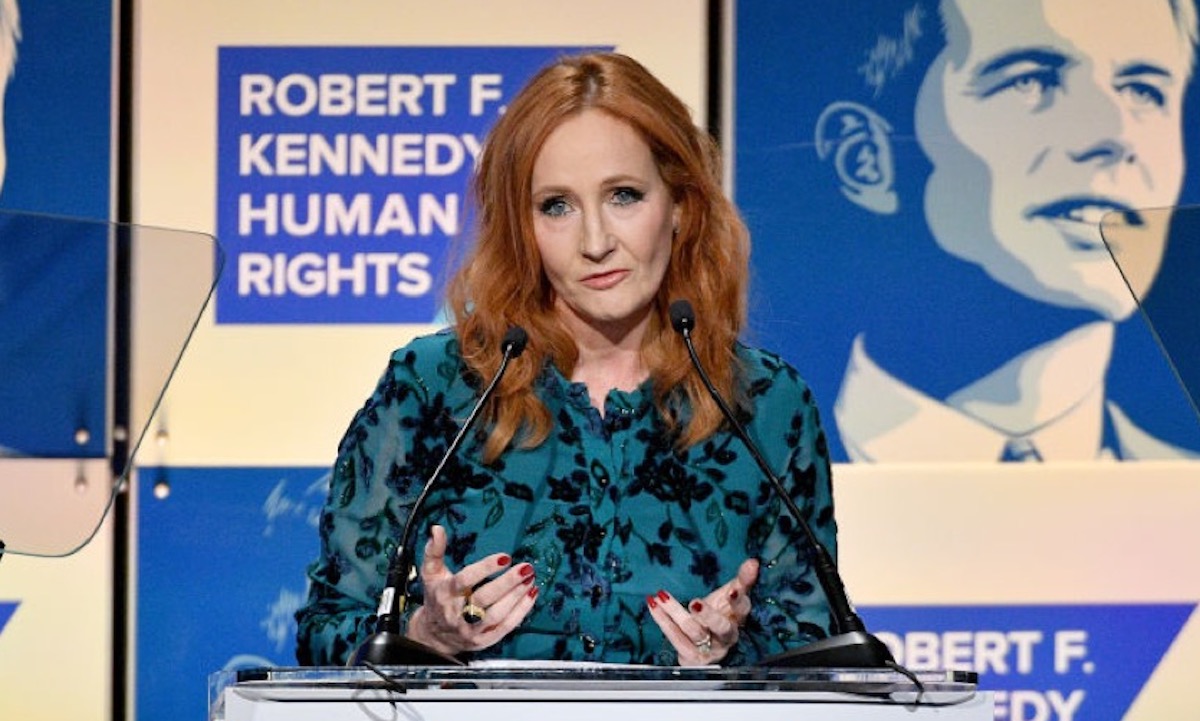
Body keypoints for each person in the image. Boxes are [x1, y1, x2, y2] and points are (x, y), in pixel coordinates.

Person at [294, 52, 838, 666]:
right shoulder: (433, 387)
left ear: (680, 206)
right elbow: (325, 631)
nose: (596, 241)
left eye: (624, 195)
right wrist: (424, 634)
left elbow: (822, 652)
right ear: (522, 228)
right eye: (557, 205)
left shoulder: (764, 403)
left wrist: (733, 652)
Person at [797, 0, 1200, 461]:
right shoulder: (749, 480)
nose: (1116, 133)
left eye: (1144, 91)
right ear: (868, 159)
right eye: (1031, 80)